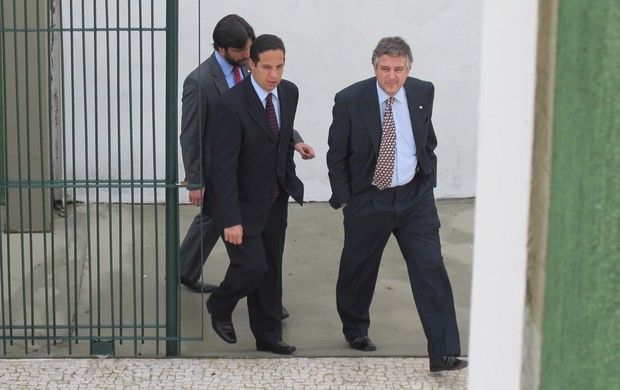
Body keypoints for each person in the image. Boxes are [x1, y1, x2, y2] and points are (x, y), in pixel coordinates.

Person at [326, 36, 467, 372]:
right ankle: (355, 328)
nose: (392, 76)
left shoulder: (422, 92)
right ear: (374, 67)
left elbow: (426, 137)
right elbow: (337, 154)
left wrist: (426, 178)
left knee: (431, 267)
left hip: (414, 199)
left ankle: (444, 352)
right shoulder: (349, 100)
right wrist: (346, 199)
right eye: (385, 69)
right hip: (368, 199)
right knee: (358, 270)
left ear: (409, 69)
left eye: (399, 69)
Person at [178, 15, 314, 303]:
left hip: (255, 170)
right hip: (222, 170)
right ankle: (185, 271)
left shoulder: (254, 70)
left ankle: (267, 302)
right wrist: (196, 180)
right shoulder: (199, 82)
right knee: (216, 219)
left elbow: (270, 116)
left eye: (249, 50)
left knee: (244, 231)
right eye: (241, 52)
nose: (247, 56)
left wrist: (295, 140)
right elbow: (190, 135)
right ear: (221, 48)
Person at [205, 34, 303, 355]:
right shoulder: (230, 106)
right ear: (251, 65)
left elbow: (277, 133)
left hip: (275, 199)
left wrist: (295, 145)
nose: (274, 74)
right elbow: (222, 170)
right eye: (266, 67)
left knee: (271, 269)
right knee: (252, 268)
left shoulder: (288, 93)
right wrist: (230, 219)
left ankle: (268, 336)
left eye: (279, 66)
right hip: (240, 205)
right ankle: (220, 305)